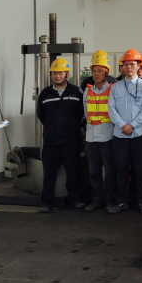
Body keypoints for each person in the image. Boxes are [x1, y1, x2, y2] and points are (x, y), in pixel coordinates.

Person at [37, 57, 86, 213]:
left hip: (71, 140)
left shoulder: (77, 92)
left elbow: (82, 114)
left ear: (67, 74)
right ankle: (46, 202)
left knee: (73, 172)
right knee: (49, 174)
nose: (57, 76)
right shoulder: (45, 94)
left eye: (60, 73)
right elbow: (41, 115)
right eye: (54, 73)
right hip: (51, 141)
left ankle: (75, 199)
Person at [108, 49, 142, 214]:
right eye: (126, 64)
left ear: (138, 66)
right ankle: (122, 201)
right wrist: (123, 125)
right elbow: (111, 109)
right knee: (121, 170)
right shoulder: (116, 87)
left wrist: (132, 125)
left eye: (132, 64)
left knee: (141, 169)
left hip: (139, 134)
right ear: (122, 67)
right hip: (120, 135)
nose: (129, 67)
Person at [83, 52, 117, 213]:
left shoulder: (112, 90)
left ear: (106, 72)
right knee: (94, 171)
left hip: (107, 136)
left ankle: (110, 200)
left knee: (110, 171)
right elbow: (85, 113)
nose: (96, 74)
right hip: (91, 137)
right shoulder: (87, 91)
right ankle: (96, 199)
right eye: (94, 71)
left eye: (100, 71)